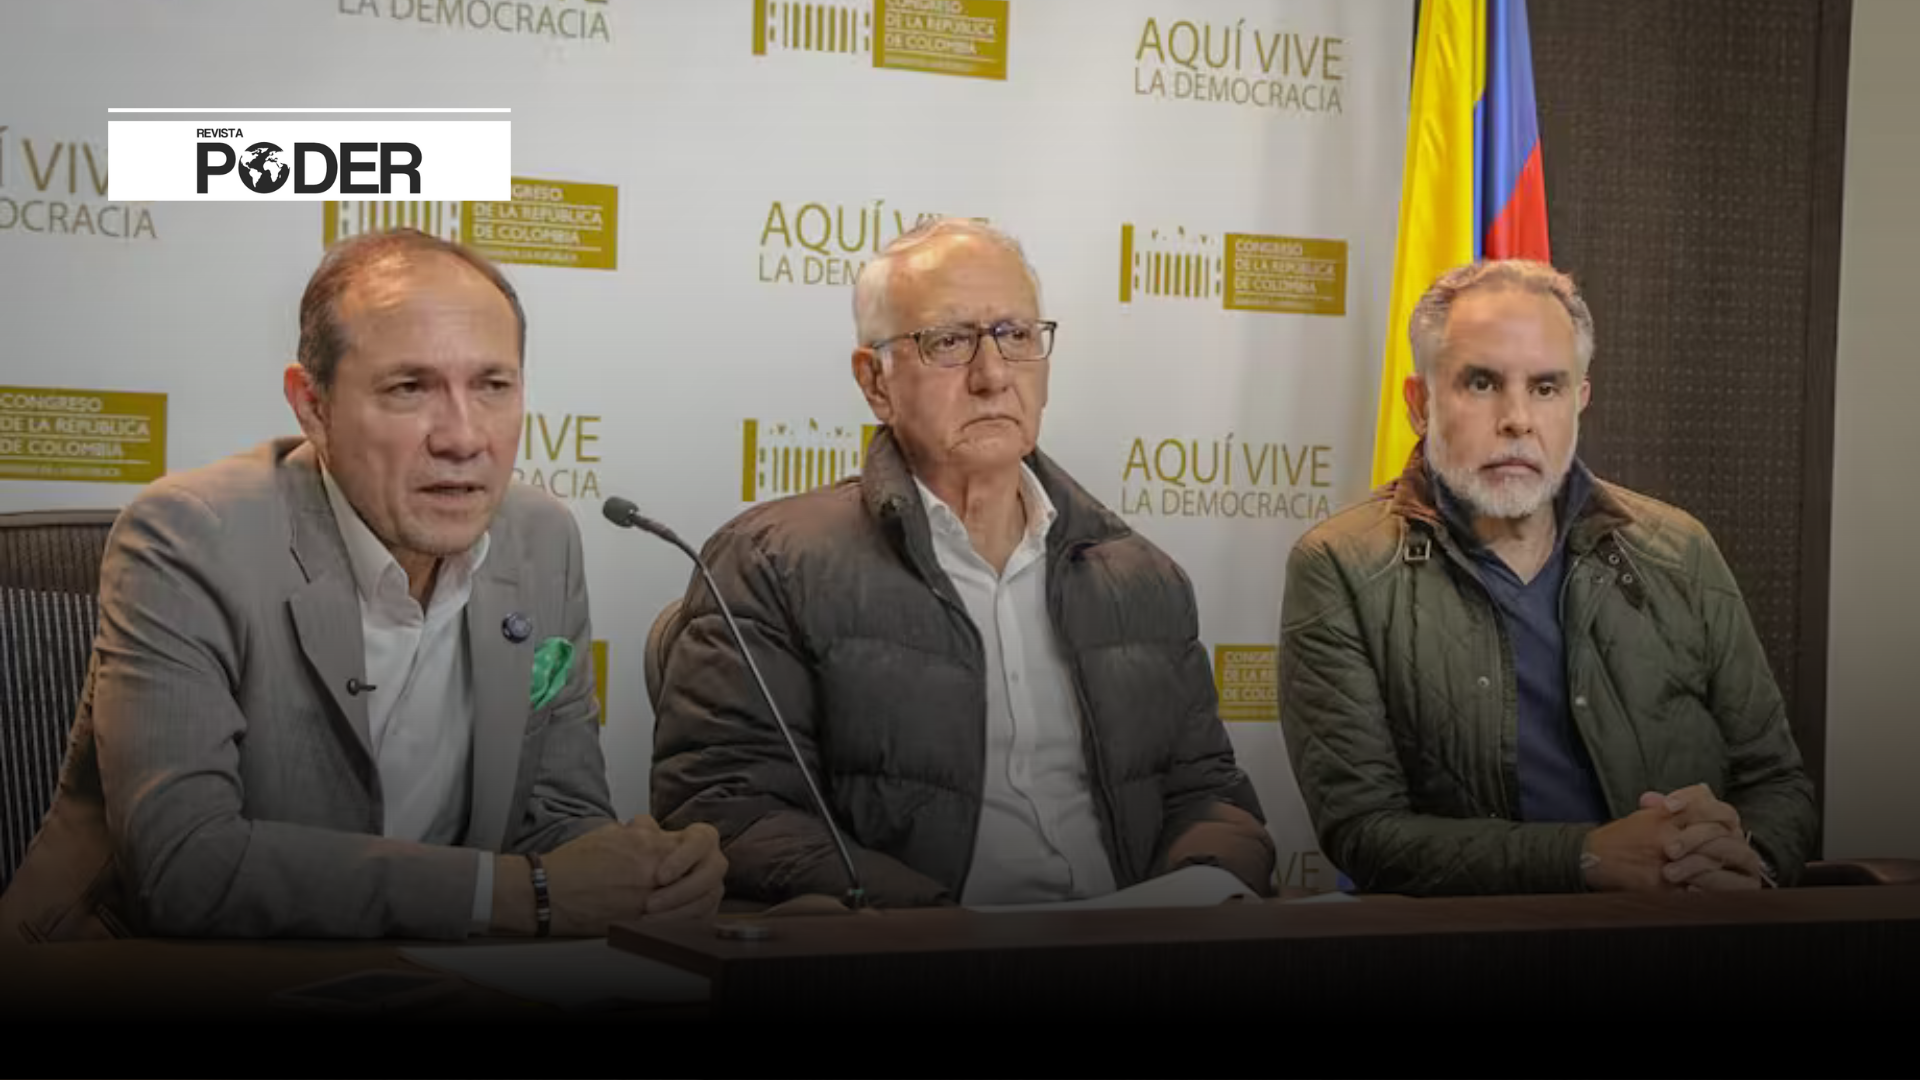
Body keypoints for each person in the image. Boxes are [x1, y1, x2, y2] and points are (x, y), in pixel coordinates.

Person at [1, 228, 724, 942]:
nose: (463, 438)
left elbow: (557, 816)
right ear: (313, 406)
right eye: (410, 388)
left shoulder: (542, 537)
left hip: (432, 974)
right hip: (151, 976)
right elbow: (186, 866)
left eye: (492, 386)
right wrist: (522, 894)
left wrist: (645, 874)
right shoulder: (190, 535)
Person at [650, 217, 1275, 909]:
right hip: (916, 951)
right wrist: (935, 932)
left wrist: (1208, 885)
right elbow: (730, 805)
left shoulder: (1142, 579)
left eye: (1016, 335)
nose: (993, 376)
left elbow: (1209, 794)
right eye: (948, 341)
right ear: (875, 382)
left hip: (1135, 948)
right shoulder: (770, 565)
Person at [1279, 259, 1817, 896]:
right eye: (1482, 382)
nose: (1517, 419)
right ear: (1420, 404)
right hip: (1474, 944)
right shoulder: (1340, 565)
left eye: (1545, 388)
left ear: (1579, 401)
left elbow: (1777, 784)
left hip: (1692, 929)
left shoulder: (1680, 549)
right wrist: (1585, 858)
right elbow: (1365, 832)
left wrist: (1742, 860)